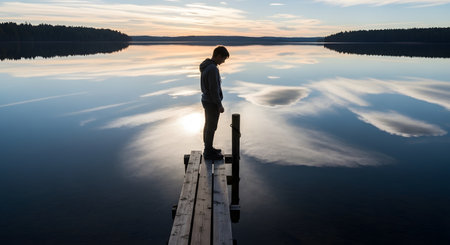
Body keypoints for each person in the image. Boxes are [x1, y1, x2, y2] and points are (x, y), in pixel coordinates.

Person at [199, 46, 229, 160]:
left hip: (206, 100)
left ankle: (209, 148)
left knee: (208, 126)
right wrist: (219, 105)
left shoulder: (207, 66)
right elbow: (214, 89)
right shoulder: (212, 69)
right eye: (223, 59)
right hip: (211, 102)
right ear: (218, 56)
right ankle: (208, 152)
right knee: (211, 127)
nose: (223, 62)